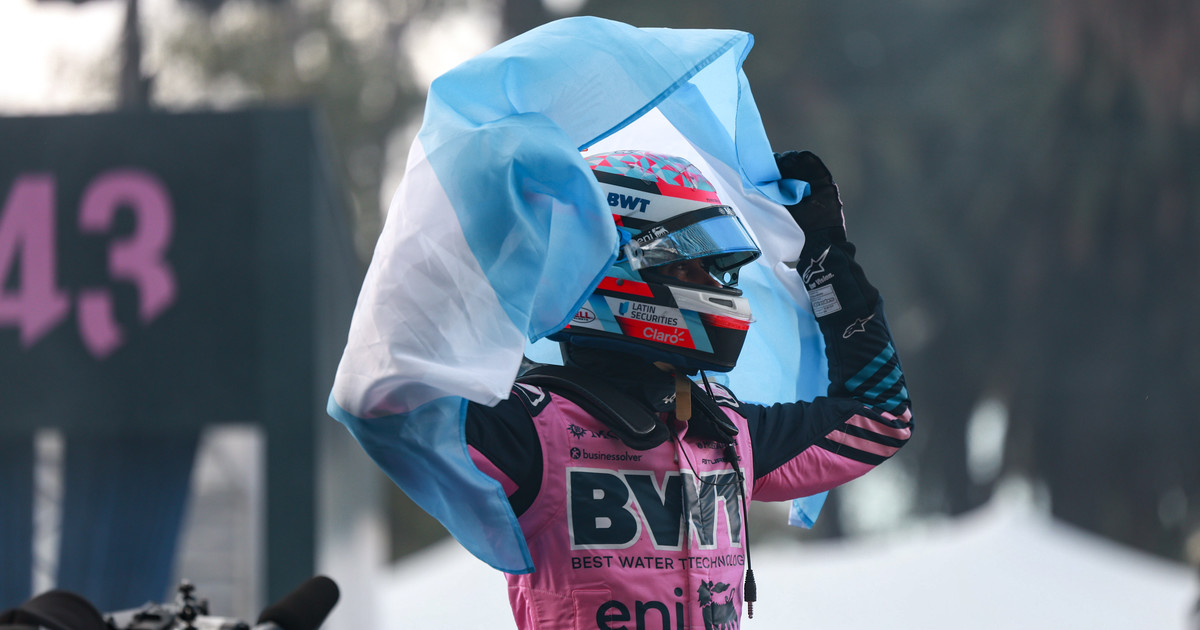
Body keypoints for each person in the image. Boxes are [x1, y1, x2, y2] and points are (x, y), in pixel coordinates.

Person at [462, 149, 913, 629]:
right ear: (603, 269)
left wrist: (824, 258)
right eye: (684, 267)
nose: (711, 285)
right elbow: (406, 414)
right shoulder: (529, 427)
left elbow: (881, 416)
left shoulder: (725, 429)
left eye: (711, 267)